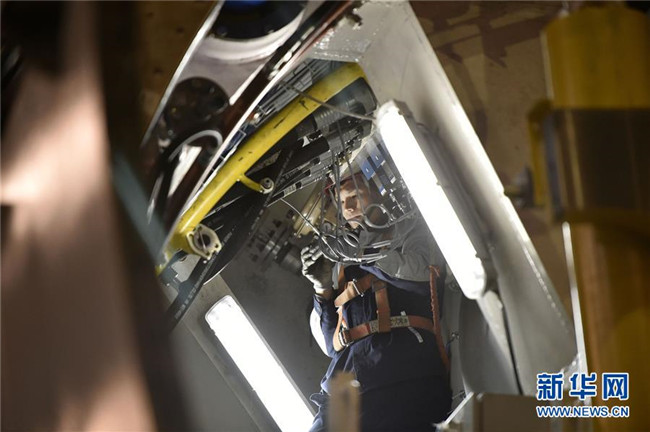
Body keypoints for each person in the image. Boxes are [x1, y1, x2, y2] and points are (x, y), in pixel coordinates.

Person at [302, 173, 452, 431]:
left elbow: (423, 276)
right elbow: (333, 345)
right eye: (342, 202)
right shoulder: (341, 262)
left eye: (354, 196)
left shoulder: (409, 229)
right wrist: (322, 287)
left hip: (403, 380)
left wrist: (363, 254)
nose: (348, 208)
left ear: (377, 191)